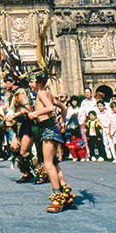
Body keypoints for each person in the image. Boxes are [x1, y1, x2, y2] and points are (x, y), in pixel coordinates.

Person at [27, 70, 74, 213]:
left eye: (32, 81)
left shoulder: (41, 93)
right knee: (53, 163)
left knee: (48, 165)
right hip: (50, 128)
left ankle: (57, 197)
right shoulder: (48, 94)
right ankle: (65, 191)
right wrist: (61, 121)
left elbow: (50, 108)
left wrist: (34, 114)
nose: (30, 84)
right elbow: (64, 107)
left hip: (47, 129)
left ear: (39, 83)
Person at [3, 75, 47, 182]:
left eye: (6, 82)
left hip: (26, 124)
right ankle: (27, 173)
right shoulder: (13, 94)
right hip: (17, 125)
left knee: (24, 152)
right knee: (13, 148)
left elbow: (28, 109)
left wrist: (13, 116)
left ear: (12, 81)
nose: (4, 85)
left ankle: (41, 173)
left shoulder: (21, 93)